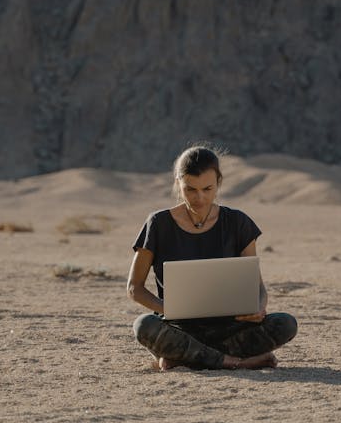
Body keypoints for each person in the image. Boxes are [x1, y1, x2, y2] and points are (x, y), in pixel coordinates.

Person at [127, 145, 297, 370]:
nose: (199, 197)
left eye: (207, 188)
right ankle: (235, 362)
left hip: (230, 327)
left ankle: (187, 357)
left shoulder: (238, 223)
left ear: (219, 182)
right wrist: (168, 308)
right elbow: (134, 288)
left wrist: (259, 307)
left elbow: (258, 288)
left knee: (285, 323)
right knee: (144, 325)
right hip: (179, 328)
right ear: (178, 183)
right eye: (190, 189)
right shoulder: (158, 224)